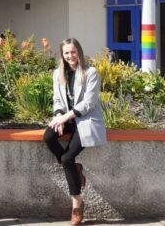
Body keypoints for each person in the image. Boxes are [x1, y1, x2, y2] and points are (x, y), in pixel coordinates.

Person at [43, 38, 107, 225]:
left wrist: (65, 117)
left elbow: (88, 103)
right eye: (66, 53)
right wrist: (59, 115)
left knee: (66, 158)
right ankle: (75, 171)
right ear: (62, 55)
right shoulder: (58, 74)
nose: (70, 56)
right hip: (67, 118)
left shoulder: (90, 72)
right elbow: (57, 99)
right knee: (48, 136)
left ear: (79, 51)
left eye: (73, 52)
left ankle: (77, 203)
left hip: (85, 120)